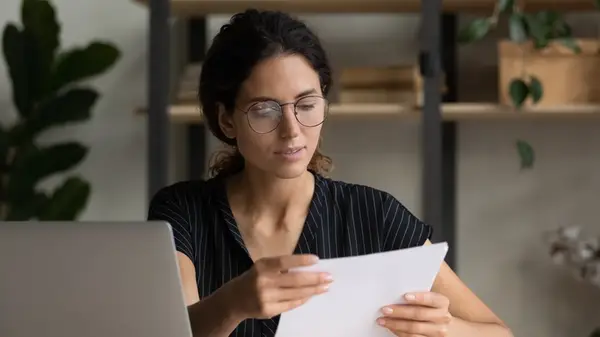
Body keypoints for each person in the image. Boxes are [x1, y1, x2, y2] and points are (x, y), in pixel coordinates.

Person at [148, 9, 513, 337]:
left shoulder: (375, 215)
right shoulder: (183, 212)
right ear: (227, 119)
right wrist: (232, 304)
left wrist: (445, 328)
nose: (292, 130)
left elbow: (500, 334)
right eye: (265, 110)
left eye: (306, 105)